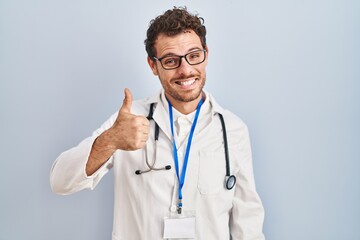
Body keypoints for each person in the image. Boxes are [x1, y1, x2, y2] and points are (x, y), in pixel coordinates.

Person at [50, 6, 265, 240]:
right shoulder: (128, 121)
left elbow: (248, 222)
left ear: (206, 54)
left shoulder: (232, 129)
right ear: (153, 65)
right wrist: (110, 140)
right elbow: (60, 181)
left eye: (194, 56)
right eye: (171, 61)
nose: (186, 70)